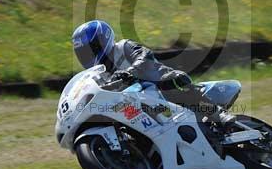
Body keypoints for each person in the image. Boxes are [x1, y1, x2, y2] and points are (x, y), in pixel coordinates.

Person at [71, 19, 235, 124]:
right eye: (84, 53)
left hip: (159, 86)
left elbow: (144, 55)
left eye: (92, 49)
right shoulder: (100, 75)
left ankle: (217, 114)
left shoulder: (123, 47)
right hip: (138, 106)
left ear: (103, 40)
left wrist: (130, 71)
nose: (89, 55)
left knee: (175, 80)